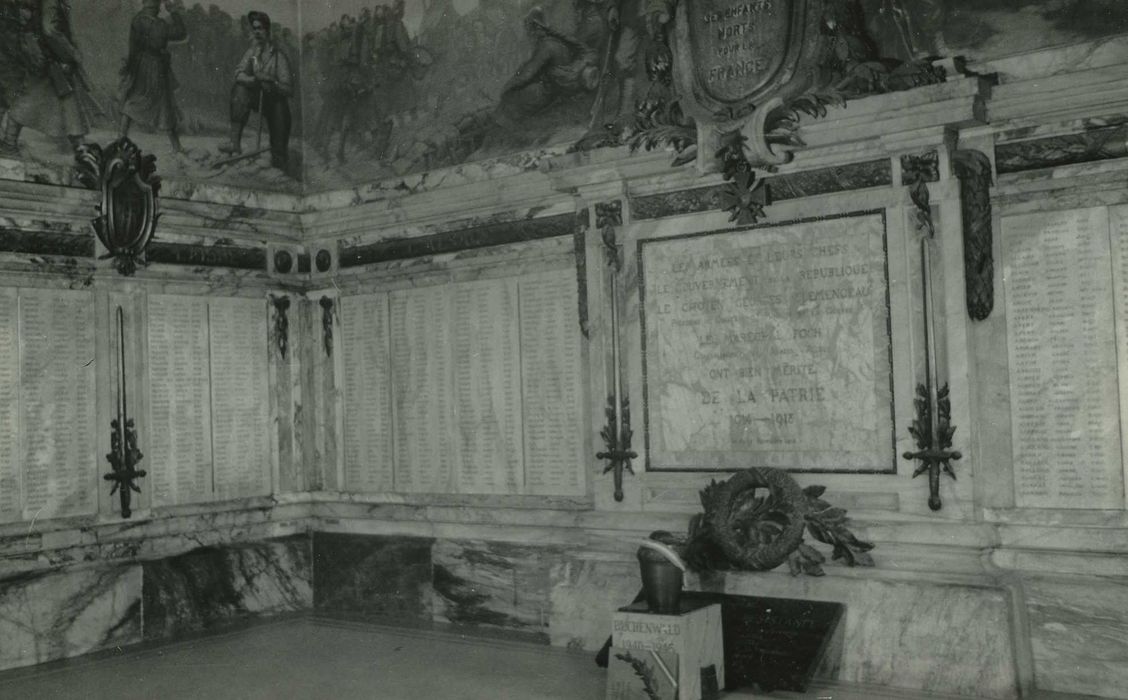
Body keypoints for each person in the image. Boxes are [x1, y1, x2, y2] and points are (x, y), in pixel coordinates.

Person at [0, 0, 99, 156]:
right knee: (35, 97)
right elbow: (50, 30)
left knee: (64, 97)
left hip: (45, 55)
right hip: (49, 56)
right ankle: (9, 144)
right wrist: (71, 53)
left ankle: (80, 147)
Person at [217, 10, 293, 170]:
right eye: (255, 29)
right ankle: (234, 143)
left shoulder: (279, 56)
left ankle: (279, 157)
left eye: (261, 29)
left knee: (279, 155)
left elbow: (288, 88)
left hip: (274, 101)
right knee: (239, 90)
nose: (257, 32)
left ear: (268, 31)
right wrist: (253, 80)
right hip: (255, 97)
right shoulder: (252, 52)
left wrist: (271, 82)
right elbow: (238, 73)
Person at [497, 6, 597, 121]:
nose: (528, 32)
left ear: (536, 27)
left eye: (530, 27)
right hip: (559, 87)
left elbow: (527, 73)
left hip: (553, 91)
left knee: (513, 101)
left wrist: (509, 86)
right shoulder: (555, 41)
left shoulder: (547, 46)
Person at [118, 0, 188, 152]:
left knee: (137, 100)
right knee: (163, 104)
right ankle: (177, 146)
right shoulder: (158, 24)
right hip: (155, 67)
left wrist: (131, 68)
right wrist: (174, 12)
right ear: (155, 6)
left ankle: (121, 138)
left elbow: (133, 47)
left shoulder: (137, 20)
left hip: (141, 65)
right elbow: (181, 33)